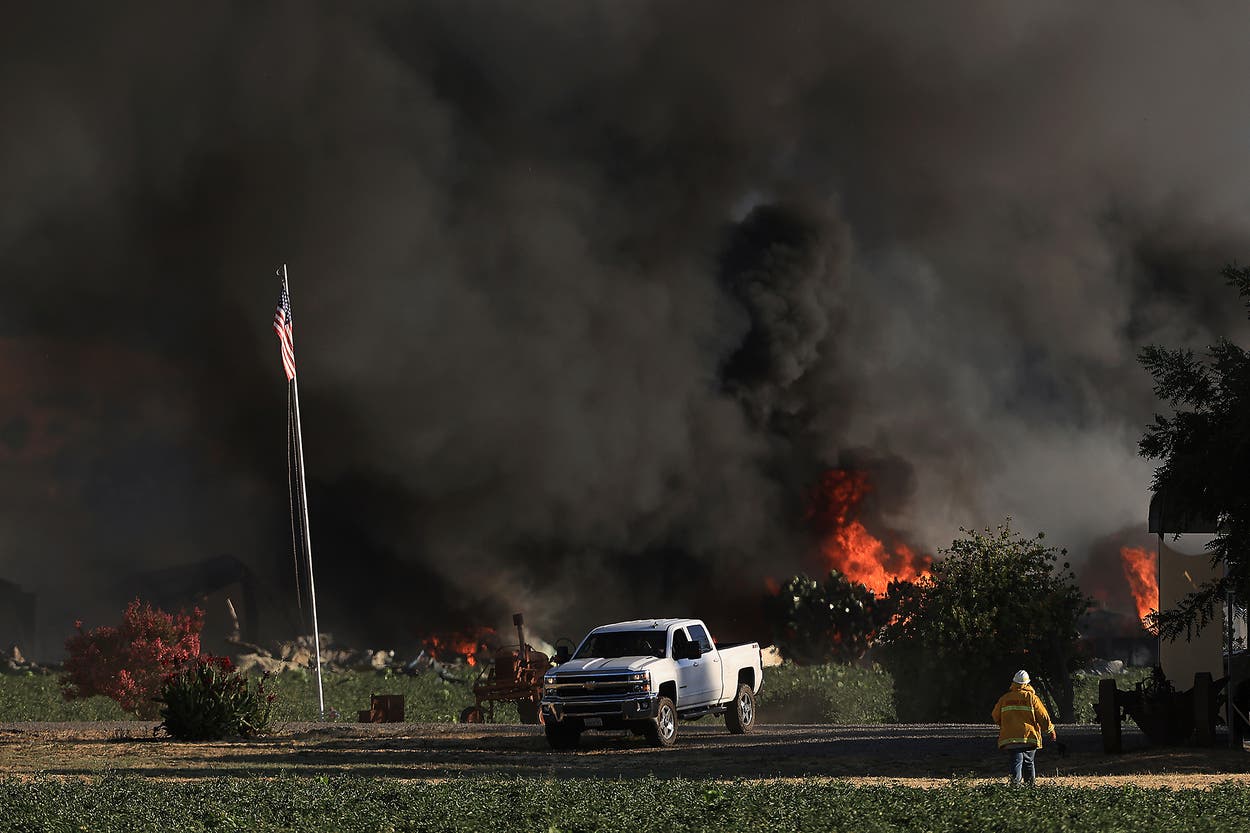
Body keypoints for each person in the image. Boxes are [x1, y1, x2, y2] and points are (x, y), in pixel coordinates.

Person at [991, 669, 1056, 785]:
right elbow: (1043, 716)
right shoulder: (1032, 698)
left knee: (1016, 762)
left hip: (1011, 738)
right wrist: (1050, 730)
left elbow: (995, 715)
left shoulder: (1005, 699)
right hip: (1029, 737)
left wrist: (1006, 725)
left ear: (1014, 683)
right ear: (1027, 683)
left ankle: (1015, 787)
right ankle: (1030, 789)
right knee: (1029, 762)